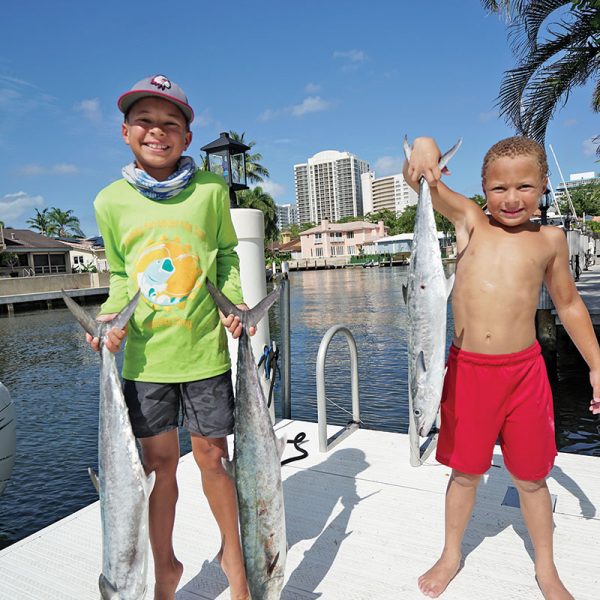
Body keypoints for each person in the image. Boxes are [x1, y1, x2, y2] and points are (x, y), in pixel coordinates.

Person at [403, 135, 600, 600]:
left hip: (525, 374)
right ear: (482, 190)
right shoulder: (470, 220)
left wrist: (596, 364)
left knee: (532, 477)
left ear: (545, 186)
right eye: (499, 189)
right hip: (469, 372)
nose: (512, 199)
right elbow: (421, 181)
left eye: (525, 187)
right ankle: (452, 553)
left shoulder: (550, 240)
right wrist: (426, 149)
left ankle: (545, 568)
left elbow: (569, 305)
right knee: (466, 472)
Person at [87, 74, 253, 600]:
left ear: (186, 135)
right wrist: (111, 319)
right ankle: (166, 568)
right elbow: (119, 277)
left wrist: (235, 302)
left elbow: (226, 254)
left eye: (170, 123)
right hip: (144, 360)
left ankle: (236, 560)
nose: (156, 132)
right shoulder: (109, 202)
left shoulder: (210, 189)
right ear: (124, 132)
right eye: (145, 121)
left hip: (203, 351)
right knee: (158, 469)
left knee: (213, 458)